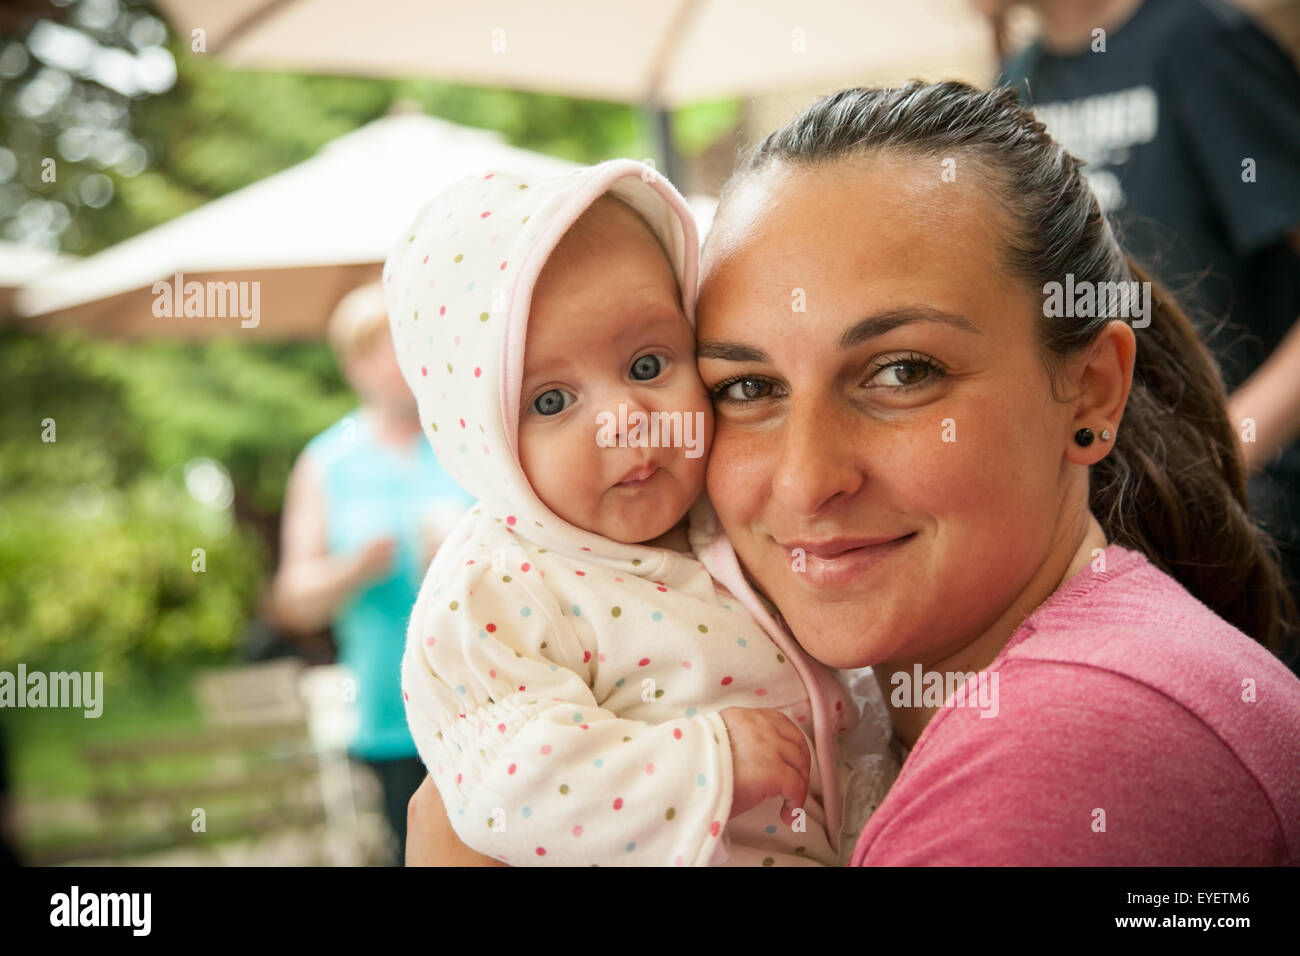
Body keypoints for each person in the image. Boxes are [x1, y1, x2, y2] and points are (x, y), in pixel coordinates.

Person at [407, 81, 1300, 866]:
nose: (805, 481)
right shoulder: (1009, 700)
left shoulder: (1052, 758)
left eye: (903, 372)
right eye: (749, 387)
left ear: (1092, 391)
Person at [382, 160, 893, 867]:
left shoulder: (728, 512)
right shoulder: (499, 585)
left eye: (649, 365)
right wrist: (705, 763)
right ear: (481, 440)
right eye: (552, 401)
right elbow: (508, 782)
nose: (626, 420)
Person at [980, 0, 1300, 672]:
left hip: (1251, 512)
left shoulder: (1198, 44)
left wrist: (1229, 449)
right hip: (1119, 511)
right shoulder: (1017, 80)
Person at [270, 283, 474, 864]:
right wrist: (353, 569)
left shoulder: (465, 439)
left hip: (492, 698)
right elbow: (293, 600)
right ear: (356, 363)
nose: (413, 360)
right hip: (393, 712)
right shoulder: (327, 461)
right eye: (395, 346)